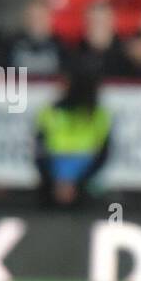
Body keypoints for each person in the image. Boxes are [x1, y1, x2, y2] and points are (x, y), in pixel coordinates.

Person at [35, 69, 112, 208]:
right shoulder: (50, 112)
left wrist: (78, 179)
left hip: (84, 171)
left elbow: (104, 153)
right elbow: (38, 150)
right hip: (61, 168)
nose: (60, 87)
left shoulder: (98, 115)